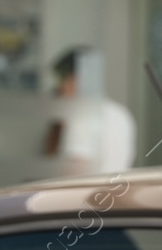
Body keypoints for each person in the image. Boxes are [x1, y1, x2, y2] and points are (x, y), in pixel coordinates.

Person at [51, 46, 136, 174]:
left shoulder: (81, 116)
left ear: (74, 79)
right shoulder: (121, 113)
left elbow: (77, 172)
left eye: (62, 80)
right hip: (118, 191)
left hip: (89, 193)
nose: (60, 88)